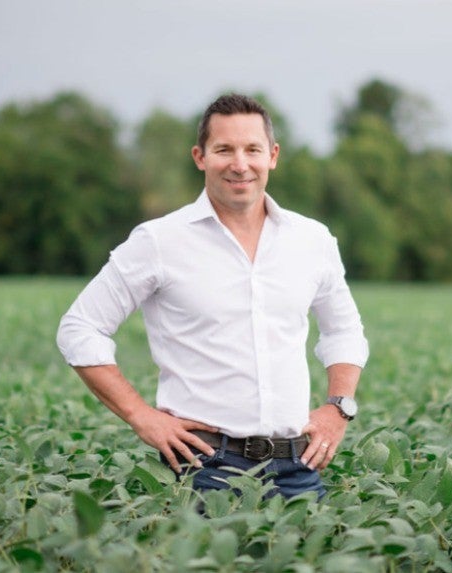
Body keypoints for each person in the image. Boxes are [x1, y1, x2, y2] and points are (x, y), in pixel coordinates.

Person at [56, 93, 368, 500]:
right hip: (202, 469)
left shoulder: (312, 240)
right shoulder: (159, 241)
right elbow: (81, 327)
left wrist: (338, 408)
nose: (240, 164)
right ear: (200, 156)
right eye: (224, 150)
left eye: (252, 149)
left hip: (297, 469)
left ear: (272, 155)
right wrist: (141, 416)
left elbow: (343, 330)